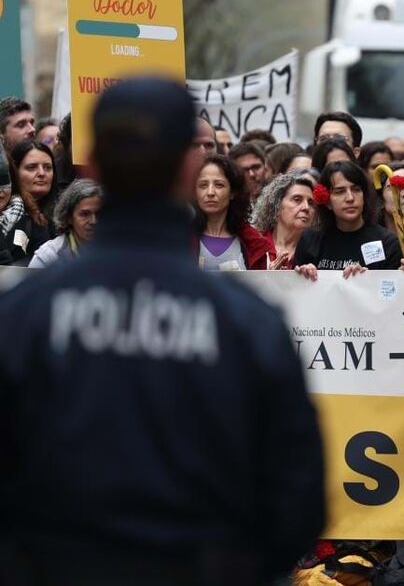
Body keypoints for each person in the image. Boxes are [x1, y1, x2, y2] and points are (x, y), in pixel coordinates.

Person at [0, 77, 325, 584]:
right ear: (187, 166)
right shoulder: (245, 323)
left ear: (98, 164)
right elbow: (297, 499)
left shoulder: (23, 315)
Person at [294, 160, 402, 278]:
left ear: (364, 196)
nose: (350, 198)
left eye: (356, 189)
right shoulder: (310, 239)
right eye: (339, 192)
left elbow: (392, 291)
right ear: (327, 201)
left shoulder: (387, 242)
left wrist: (368, 279)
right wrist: (304, 275)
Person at [194, 154, 272, 271]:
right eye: (203, 185)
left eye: (219, 185)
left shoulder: (252, 243)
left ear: (233, 192)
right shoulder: (178, 237)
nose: (210, 192)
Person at [3, 140, 57, 265]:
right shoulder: (8, 216)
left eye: (48, 167)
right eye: (31, 167)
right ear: (14, 173)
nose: (42, 173)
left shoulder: (65, 213)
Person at [29, 178, 102, 268]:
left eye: (99, 214)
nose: (93, 221)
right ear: (69, 217)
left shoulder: (118, 250)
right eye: (84, 214)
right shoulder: (49, 256)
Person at [252, 170, 317, 270]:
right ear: (276, 206)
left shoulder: (319, 248)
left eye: (311, 202)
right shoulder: (253, 244)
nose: (306, 207)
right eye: (297, 199)